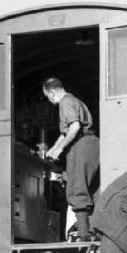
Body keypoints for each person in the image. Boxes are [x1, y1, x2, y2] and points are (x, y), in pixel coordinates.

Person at [42, 77, 99, 240]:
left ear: (52, 92)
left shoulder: (65, 102)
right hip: (92, 144)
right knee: (93, 188)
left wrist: (59, 149)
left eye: (48, 97)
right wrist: (52, 149)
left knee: (76, 187)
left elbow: (74, 127)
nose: (50, 101)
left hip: (80, 145)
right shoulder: (75, 100)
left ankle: (83, 234)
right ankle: (95, 229)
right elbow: (65, 132)